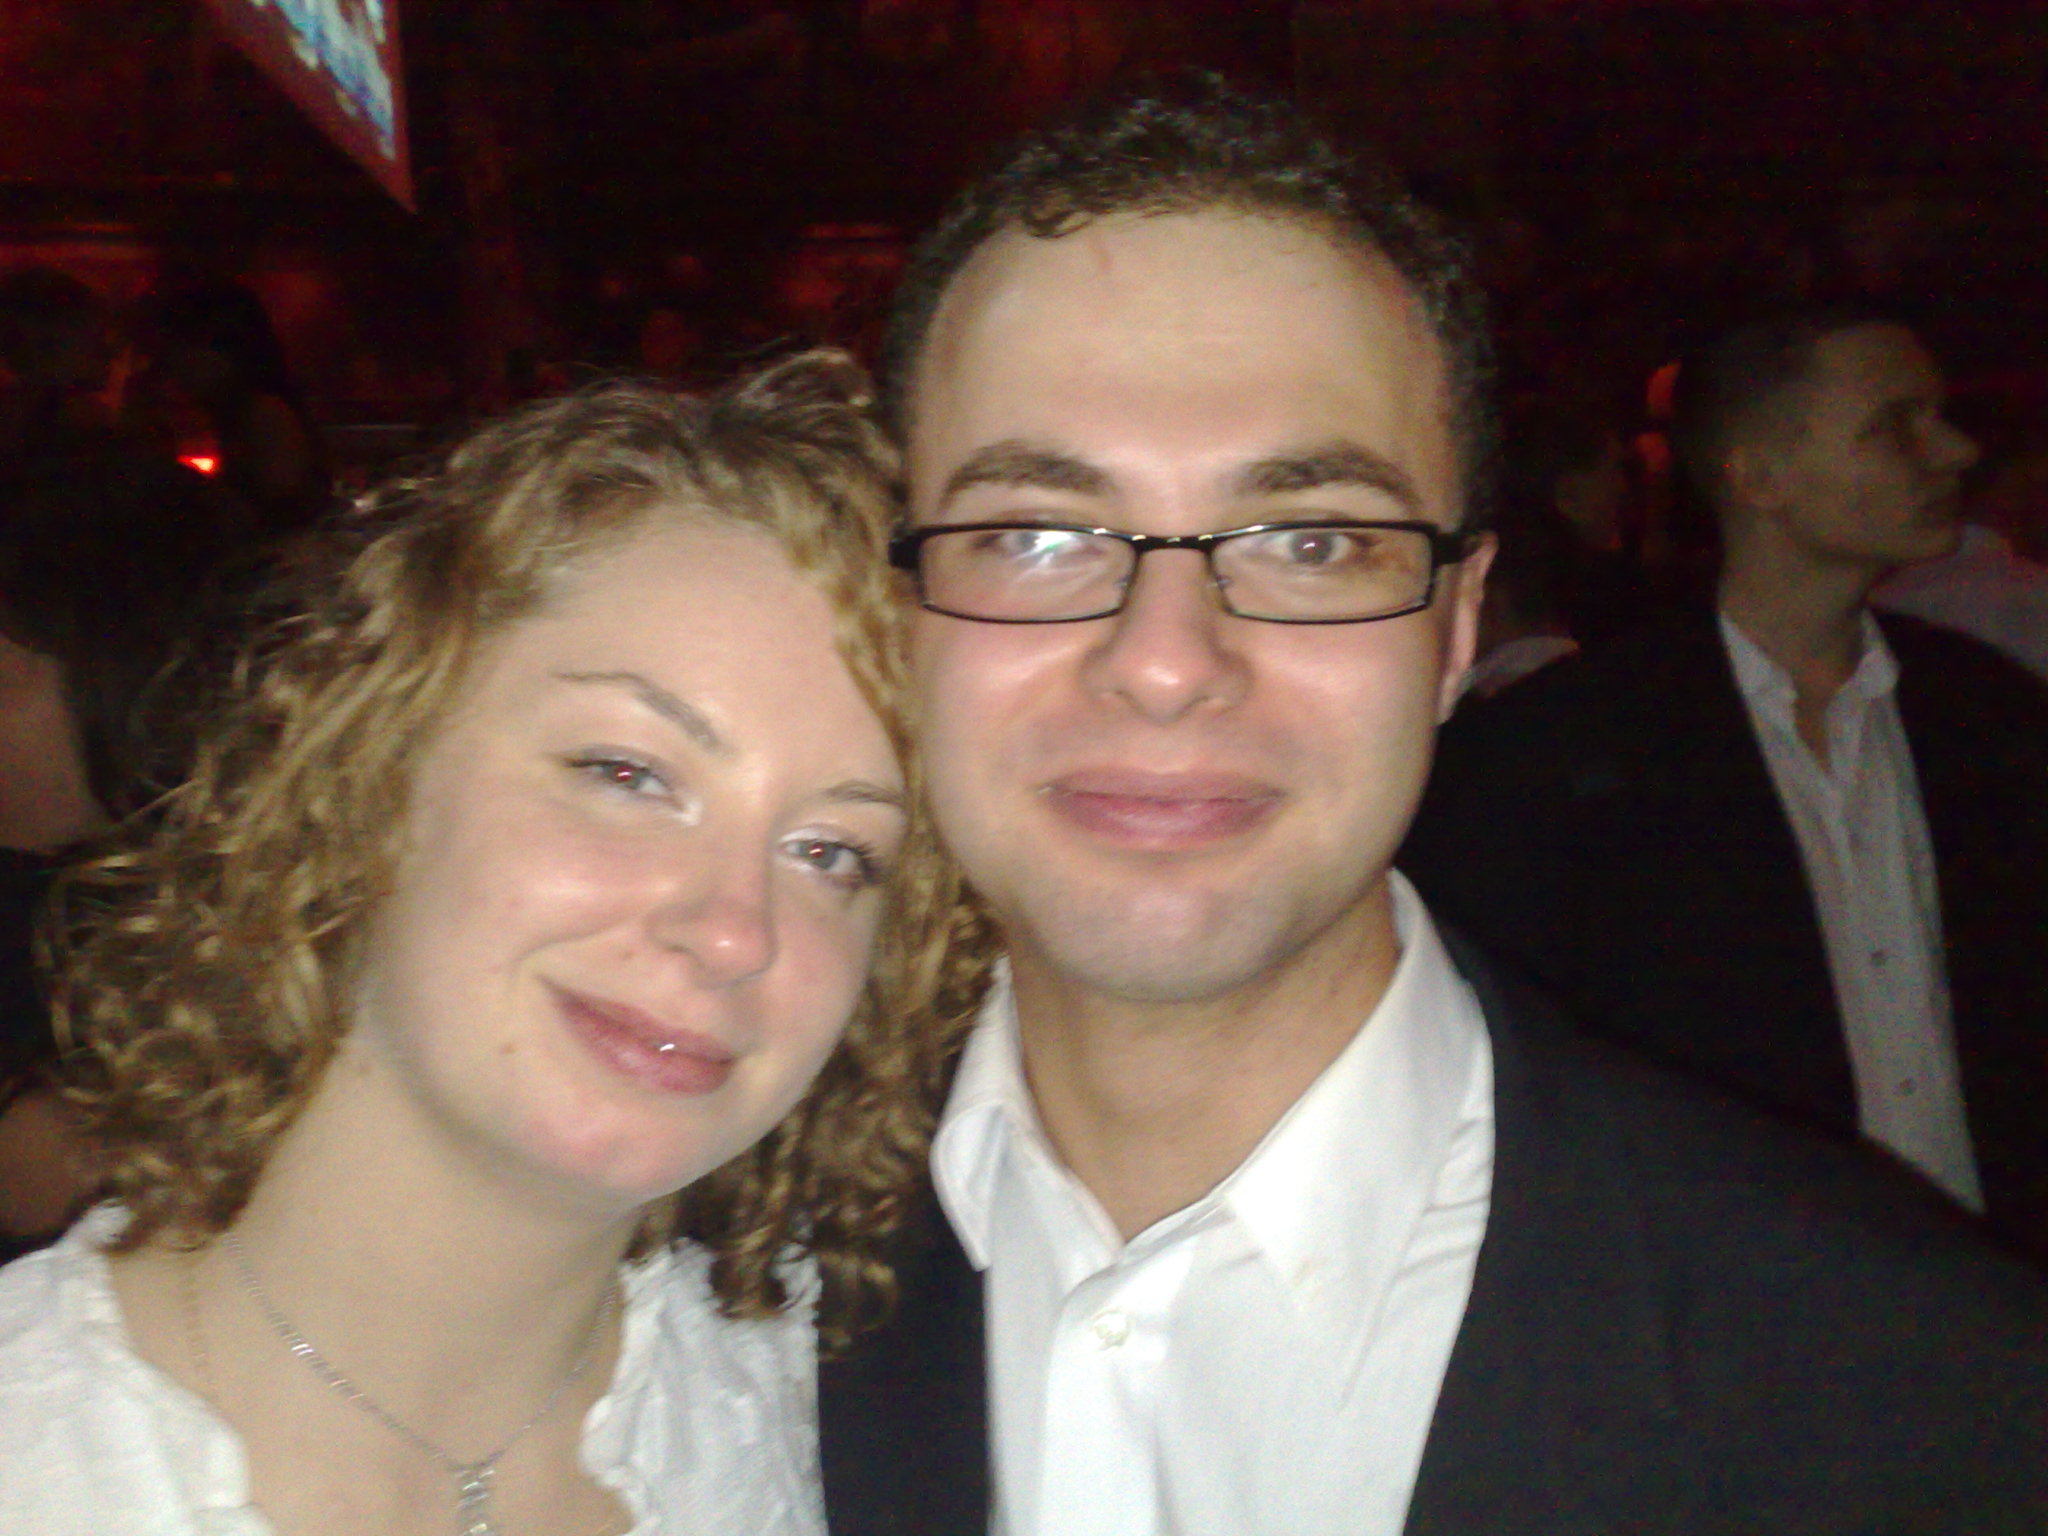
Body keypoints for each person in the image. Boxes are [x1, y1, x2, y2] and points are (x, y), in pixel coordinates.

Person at [814, 79, 2048, 1536]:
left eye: (1311, 541)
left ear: (1457, 627)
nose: (1163, 661)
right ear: (900, 611)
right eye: (1033, 535)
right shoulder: (710, 1289)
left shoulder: (1924, 1400)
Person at [0, 353, 970, 1535]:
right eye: (626, 773)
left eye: (832, 853)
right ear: (372, 767)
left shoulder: (838, 1434)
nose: (731, 931)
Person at [1409, 305, 2048, 1262]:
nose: (1954, 450)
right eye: (1894, 425)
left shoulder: (1988, 714)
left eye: (1936, 416)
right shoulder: (1570, 754)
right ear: (1758, 476)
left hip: (1989, 1292)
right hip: (1736, 1295)